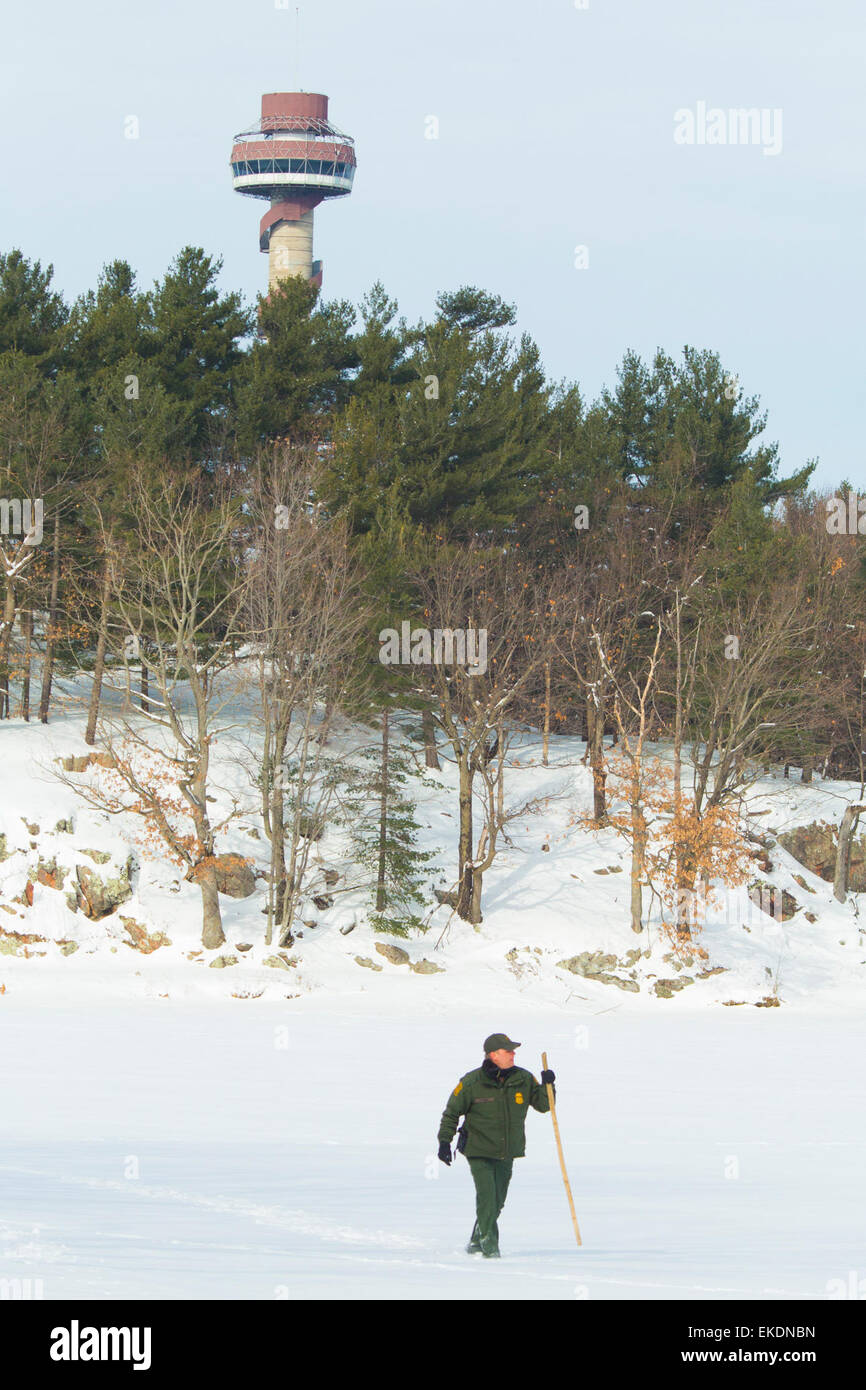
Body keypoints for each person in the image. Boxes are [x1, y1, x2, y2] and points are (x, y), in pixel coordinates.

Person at [437, 1032, 555, 1258]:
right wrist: (445, 1141)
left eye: (513, 1050)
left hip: (507, 1150)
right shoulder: (472, 1082)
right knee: (487, 1197)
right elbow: (451, 1113)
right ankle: (490, 1249)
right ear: (493, 1055)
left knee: (497, 1200)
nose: (513, 1054)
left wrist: (549, 1086)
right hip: (478, 1149)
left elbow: (543, 1105)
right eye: (508, 1051)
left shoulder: (523, 1078)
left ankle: (474, 1242)